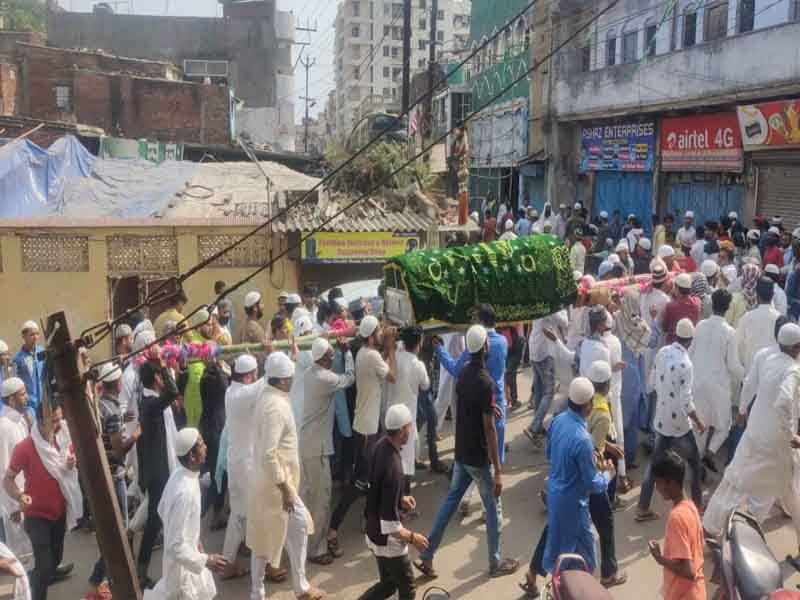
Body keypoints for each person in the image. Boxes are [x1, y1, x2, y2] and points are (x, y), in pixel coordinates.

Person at [414, 325, 518, 579]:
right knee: (494, 510)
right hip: (479, 458)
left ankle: (427, 555)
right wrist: (498, 471)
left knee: (450, 502)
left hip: (462, 452)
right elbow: (489, 429)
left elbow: (472, 409)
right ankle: (495, 563)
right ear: (485, 347)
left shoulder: (464, 375)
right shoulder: (486, 382)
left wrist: (489, 409)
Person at [703, 323, 800, 545]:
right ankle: (739, 534)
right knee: (789, 490)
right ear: (796, 347)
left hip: (754, 432)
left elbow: (749, 385)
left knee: (735, 480)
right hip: (777, 443)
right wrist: (790, 435)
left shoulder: (767, 358)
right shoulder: (793, 370)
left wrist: (742, 409)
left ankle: (710, 526)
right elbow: (784, 401)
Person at [523, 377, 615, 596]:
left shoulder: (558, 421)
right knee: (585, 557)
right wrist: (608, 474)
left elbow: (549, 453)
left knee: (558, 546)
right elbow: (593, 483)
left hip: (556, 494)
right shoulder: (583, 440)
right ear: (588, 405)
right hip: (574, 504)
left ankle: (552, 582)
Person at [248, 352, 323, 600]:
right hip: (276, 486)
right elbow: (269, 453)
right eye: (290, 377)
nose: (293, 380)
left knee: (267, 537)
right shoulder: (275, 407)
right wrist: (285, 489)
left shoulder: (268, 395)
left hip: (268, 481)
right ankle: (295, 588)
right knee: (292, 528)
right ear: (281, 381)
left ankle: (270, 591)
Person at [328, 316, 396, 551]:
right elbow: (392, 376)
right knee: (358, 483)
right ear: (371, 336)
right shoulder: (372, 355)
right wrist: (391, 349)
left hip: (366, 424)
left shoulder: (365, 353)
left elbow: (380, 366)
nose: (382, 334)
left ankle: (367, 518)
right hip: (367, 427)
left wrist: (385, 350)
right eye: (379, 331)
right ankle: (333, 528)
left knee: (372, 476)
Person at [4, 402, 81, 600]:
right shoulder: (26, 447)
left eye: (59, 419)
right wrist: (19, 496)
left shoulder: (63, 439)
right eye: (53, 421)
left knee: (53, 562)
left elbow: (68, 467)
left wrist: (71, 464)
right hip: (36, 516)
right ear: (40, 421)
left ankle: (31, 580)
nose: (58, 425)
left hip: (59, 513)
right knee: (45, 567)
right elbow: (8, 479)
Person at [221, 355, 284, 582]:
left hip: (236, 464)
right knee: (261, 513)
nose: (256, 376)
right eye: (254, 373)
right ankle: (269, 566)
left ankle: (227, 564)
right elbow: (269, 379)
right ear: (248, 376)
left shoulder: (232, 391)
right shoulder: (243, 394)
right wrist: (271, 355)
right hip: (246, 466)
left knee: (238, 516)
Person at [143, 428, 227, 600]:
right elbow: (175, 546)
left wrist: (194, 540)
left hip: (188, 560)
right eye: (201, 444)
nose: (206, 447)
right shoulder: (185, 492)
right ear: (192, 456)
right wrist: (206, 560)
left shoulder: (180, 473)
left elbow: (161, 508)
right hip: (182, 572)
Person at [636, 319, 705, 522]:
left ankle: (642, 507)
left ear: (676, 335)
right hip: (680, 425)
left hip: (662, 420)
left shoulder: (663, 352)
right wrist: (699, 421)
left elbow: (652, 383)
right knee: (694, 463)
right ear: (690, 340)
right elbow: (686, 401)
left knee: (654, 464)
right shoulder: (686, 364)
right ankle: (697, 508)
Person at [358, 405, 429, 600]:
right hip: (387, 541)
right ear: (402, 431)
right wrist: (413, 538)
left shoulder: (380, 445)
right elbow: (390, 526)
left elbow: (376, 486)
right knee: (408, 589)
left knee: (388, 584)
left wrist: (399, 498)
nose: (411, 430)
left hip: (373, 531)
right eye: (409, 426)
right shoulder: (394, 467)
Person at [299, 338, 355, 564]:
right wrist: (348, 353)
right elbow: (349, 378)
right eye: (331, 355)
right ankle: (316, 550)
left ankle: (306, 544)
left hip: (309, 444)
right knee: (321, 500)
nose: (333, 358)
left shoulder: (310, 372)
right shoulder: (324, 378)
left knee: (309, 498)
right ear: (322, 358)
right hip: (317, 449)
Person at [87, 363, 140, 597]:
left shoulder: (102, 405)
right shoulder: (112, 411)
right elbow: (118, 450)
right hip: (115, 474)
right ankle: (99, 579)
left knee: (113, 529)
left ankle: (101, 578)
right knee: (120, 530)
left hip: (105, 473)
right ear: (117, 383)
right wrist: (135, 435)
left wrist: (121, 419)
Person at [136, 350, 179, 588]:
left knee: (156, 520)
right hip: (158, 472)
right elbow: (173, 391)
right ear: (156, 378)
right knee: (157, 520)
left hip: (159, 469)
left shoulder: (149, 400)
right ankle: (141, 572)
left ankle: (142, 570)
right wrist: (162, 365)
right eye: (161, 375)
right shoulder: (152, 404)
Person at [688, 290, 744, 473]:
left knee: (700, 428)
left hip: (697, 383)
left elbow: (690, 353)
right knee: (724, 427)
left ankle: (697, 467)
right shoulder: (730, 332)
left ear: (712, 304)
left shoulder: (700, 326)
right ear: (728, 308)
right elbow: (733, 365)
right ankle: (710, 453)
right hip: (718, 387)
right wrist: (748, 378)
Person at [585, 361, 627, 587]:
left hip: (578, 474)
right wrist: (607, 471)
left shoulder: (587, 402)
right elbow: (593, 450)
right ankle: (609, 574)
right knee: (606, 524)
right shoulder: (602, 412)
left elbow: (590, 436)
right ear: (608, 384)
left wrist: (609, 446)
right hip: (593, 477)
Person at [648, 450, 707, 600]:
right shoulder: (691, 506)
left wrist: (659, 558)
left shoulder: (676, 517)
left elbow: (689, 571)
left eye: (658, 482)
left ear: (671, 482)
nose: (657, 488)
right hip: (696, 592)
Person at [385, 327, 430, 491]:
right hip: (406, 420)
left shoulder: (394, 355)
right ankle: (403, 497)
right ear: (419, 343)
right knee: (406, 462)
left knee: (391, 456)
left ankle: (395, 495)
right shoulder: (418, 365)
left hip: (390, 415)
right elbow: (426, 385)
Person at [523, 310, 568, 448]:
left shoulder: (542, 303)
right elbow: (564, 322)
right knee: (549, 392)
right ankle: (534, 427)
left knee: (539, 391)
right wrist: (562, 309)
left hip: (535, 349)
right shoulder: (551, 307)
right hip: (544, 351)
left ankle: (538, 427)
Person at [0, 377, 30, 556]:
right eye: (23, 394)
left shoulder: (21, 421)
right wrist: (14, 506)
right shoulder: (4, 427)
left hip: (25, 494)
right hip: (14, 499)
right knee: (19, 553)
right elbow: (3, 470)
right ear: (11, 399)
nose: (27, 397)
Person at [735, 278, 779, 373]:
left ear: (757, 295)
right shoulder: (780, 319)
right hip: (772, 374)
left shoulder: (747, 317)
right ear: (772, 295)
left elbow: (738, 345)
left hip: (750, 372)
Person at [13, 322, 44, 416]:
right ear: (24, 336)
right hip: (30, 405)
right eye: (32, 334)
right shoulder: (18, 359)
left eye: (37, 334)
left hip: (45, 401)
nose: (35, 337)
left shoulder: (42, 351)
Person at [661, 273, 700, 345]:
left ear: (677, 288)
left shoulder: (670, 306)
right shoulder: (697, 303)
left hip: (673, 344)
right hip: (689, 345)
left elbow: (664, 328)